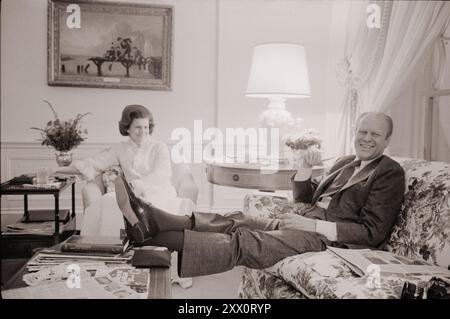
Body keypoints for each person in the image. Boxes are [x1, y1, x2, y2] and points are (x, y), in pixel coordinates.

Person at [114, 111, 406, 278]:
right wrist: (304, 168)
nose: (366, 139)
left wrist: (314, 226)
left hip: (329, 240)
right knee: (233, 219)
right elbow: (306, 199)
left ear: (387, 140)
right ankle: (151, 221)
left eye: (375, 135)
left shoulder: (389, 172)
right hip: (300, 223)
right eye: (362, 132)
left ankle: (150, 231)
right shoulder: (346, 162)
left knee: (246, 241)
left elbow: (373, 232)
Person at [56, 104, 195, 288]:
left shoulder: (159, 147)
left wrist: (136, 186)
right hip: (129, 194)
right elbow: (95, 163)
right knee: (108, 202)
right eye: (138, 127)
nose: (142, 131)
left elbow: (161, 175)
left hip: (159, 190)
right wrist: (60, 168)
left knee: (144, 206)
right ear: (127, 127)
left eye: (146, 127)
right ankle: (111, 263)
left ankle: (158, 263)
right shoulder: (119, 148)